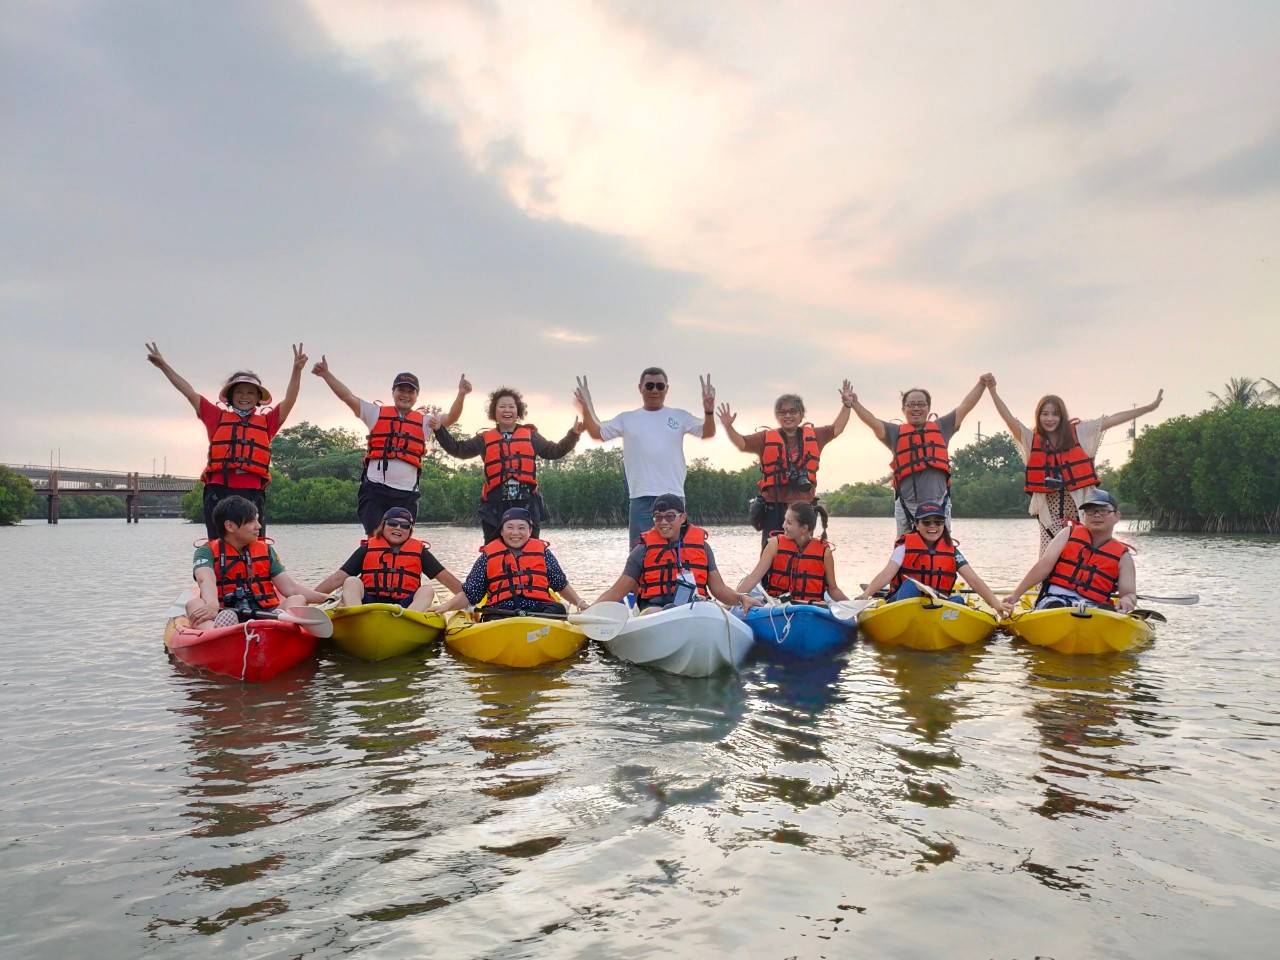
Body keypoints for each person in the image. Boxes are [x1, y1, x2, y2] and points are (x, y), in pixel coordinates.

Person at [984, 375, 1164, 552]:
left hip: (1080, 507)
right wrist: (993, 391)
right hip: (1050, 513)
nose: (1050, 419)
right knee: (1049, 556)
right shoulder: (1031, 439)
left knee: (1081, 553)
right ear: (1038, 417)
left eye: (1055, 414)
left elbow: (1112, 419)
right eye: (1045, 414)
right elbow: (1008, 418)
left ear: (1062, 416)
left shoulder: (1080, 432)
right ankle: (1045, 582)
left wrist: (1149, 408)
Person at [146, 342, 306, 540]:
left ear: (258, 397)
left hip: (252, 491)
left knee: (255, 545)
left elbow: (290, 399)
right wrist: (163, 366)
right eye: (239, 392)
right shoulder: (216, 417)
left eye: (250, 392)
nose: (244, 396)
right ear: (230, 396)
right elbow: (188, 392)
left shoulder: (267, 422)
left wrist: (297, 369)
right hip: (218, 490)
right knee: (218, 544)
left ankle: (257, 571)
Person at [311, 358, 467, 534]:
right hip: (375, 490)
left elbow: (451, 418)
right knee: (375, 538)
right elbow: (348, 397)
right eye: (401, 389)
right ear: (393, 391)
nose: (405, 395)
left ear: (416, 396)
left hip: (406, 494)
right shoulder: (375, 413)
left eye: (410, 391)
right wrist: (326, 374)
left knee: (401, 542)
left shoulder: (425, 421)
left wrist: (461, 394)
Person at [575, 368, 716, 546]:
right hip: (640, 497)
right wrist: (586, 408)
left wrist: (709, 412)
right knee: (639, 552)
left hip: (673, 495)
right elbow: (597, 433)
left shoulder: (680, 416)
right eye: (649, 386)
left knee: (675, 551)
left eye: (659, 386)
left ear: (667, 389)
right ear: (640, 388)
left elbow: (707, 432)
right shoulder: (627, 418)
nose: (655, 390)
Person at [428, 385, 584, 542]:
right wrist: (439, 430)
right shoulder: (484, 438)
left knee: (530, 552)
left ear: (518, 412)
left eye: (511, 406)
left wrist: (573, 434)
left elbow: (555, 451)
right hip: (495, 507)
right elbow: (458, 449)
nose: (507, 410)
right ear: (494, 412)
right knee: (494, 554)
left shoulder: (532, 436)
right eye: (502, 406)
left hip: (527, 504)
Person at [846, 376, 988, 535]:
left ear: (928, 408)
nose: (916, 408)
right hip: (908, 505)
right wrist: (855, 403)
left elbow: (965, 406)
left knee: (942, 552)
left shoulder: (942, 427)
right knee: (906, 551)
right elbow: (872, 421)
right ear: (903, 409)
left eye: (921, 404)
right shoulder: (895, 433)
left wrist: (982, 384)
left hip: (939, 502)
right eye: (911, 404)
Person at [718, 382, 856, 546]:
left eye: (792, 411)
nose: (787, 416)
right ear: (777, 416)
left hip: (803, 507)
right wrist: (728, 427)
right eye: (782, 412)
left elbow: (837, 428)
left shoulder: (815, 435)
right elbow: (742, 443)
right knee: (772, 552)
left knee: (802, 552)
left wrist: (847, 405)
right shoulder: (765, 438)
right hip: (773, 506)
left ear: (801, 414)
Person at [594, 495, 760, 612]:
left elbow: (719, 590)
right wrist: (588, 612)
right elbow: (617, 592)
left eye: (670, 516)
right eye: (658, 517)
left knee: (713, 610)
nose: (663, 522)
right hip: (654, 611)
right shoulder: (642, 551)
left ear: (682, 518)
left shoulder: (702, 547)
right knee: (654, 612)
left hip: (693, 609)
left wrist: (741, 598)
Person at [187, 495, 327, 628]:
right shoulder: (206, 551)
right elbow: (205, 579)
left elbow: (291, 589)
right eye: (251, 521)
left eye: (258, 520)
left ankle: (278, 621)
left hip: (267, 612)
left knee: (297, 599)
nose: (259, 526)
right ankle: (218, 631)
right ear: (230, 526)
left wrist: (327, 598)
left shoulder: (266, 550)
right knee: (193, 604)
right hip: (223, 612)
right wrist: (212, 604)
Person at [1001, 489, 1137, 615]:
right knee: (1054, 605)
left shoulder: (1124, 556)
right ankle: (1054, 611)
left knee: (1102, 610)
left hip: (1095, 605)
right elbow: (1043, 566)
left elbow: (1129, 593)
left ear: (1117, 516)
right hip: (1055, 598)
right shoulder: (1068, 533)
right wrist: (1016, 594)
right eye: (1090, 511)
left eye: (1103, 511)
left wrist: (1127, 600)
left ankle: (1103, 614)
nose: (1096, 515)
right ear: (1083, 515)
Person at [433, 507, 587, 616]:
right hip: (501, 610)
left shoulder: (543, 552)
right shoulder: (488, 556)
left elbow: (560, 583)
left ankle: (535, 627)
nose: (515, 533)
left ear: (530, 530)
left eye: (521, 528)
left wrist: (580, 603)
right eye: (510, 527)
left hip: (539, 608)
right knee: (492, 617)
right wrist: (446, 606)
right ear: (501, 531)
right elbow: (470, 594)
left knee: (558, 609)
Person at [856, 500, 1004, 611]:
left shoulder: (952, 551)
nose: (933, 526)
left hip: (936, 601)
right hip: (903, 602)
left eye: (938, 522)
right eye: (926, 522)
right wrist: (866, 594)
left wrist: (997, 605)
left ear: (943, 525)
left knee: (958, 600)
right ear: (917, 525)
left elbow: (974, 580)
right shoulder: (904, 548)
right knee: (910, 585)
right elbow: (887, 574)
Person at [314, 507, 463, 611]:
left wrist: (470, 598)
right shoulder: (367, 548)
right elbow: (337, 579)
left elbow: (446, 579)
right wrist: (310, 599)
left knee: (427, 590)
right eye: (393, 523)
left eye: (405, 526)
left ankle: (408, 621)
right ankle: (357, 617)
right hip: (368, 605)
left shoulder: (419, 551)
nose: (398, 528)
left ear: (410, 530)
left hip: (404, 607)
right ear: (383, 525)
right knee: (351, 581)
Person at [736, 501, 850, 603]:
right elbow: (753, 577)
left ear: (804, 528)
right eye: (785, 520)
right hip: (776, 607)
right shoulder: (774, 545)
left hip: (810, 609)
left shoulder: (825, 552)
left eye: (789, 523)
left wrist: (854, 608)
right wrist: (730, 601)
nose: (783, 525)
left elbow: (833, 589)